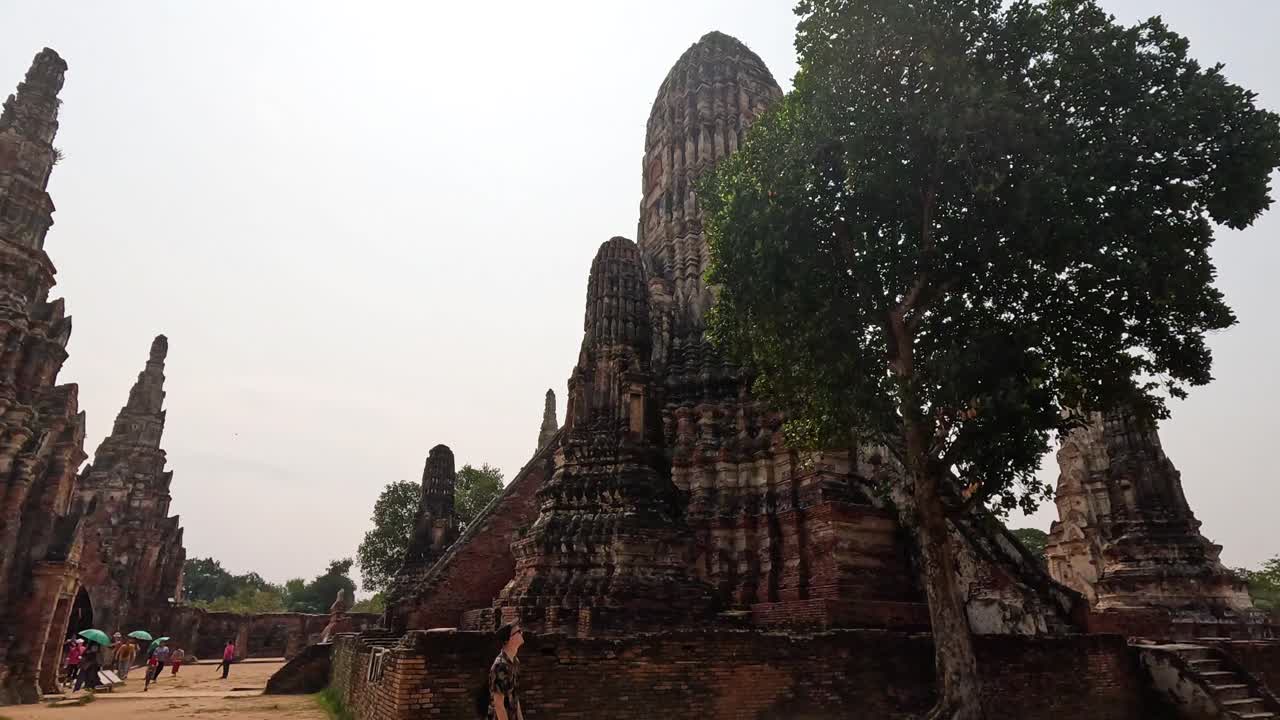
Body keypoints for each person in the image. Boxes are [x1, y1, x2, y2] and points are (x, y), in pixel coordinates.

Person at [487, 623, 525, 720]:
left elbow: (515, 698)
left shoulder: (515, 662)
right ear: (509, 639)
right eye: (518, 632)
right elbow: (499, 705)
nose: (522, 633)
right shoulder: (500, 666)